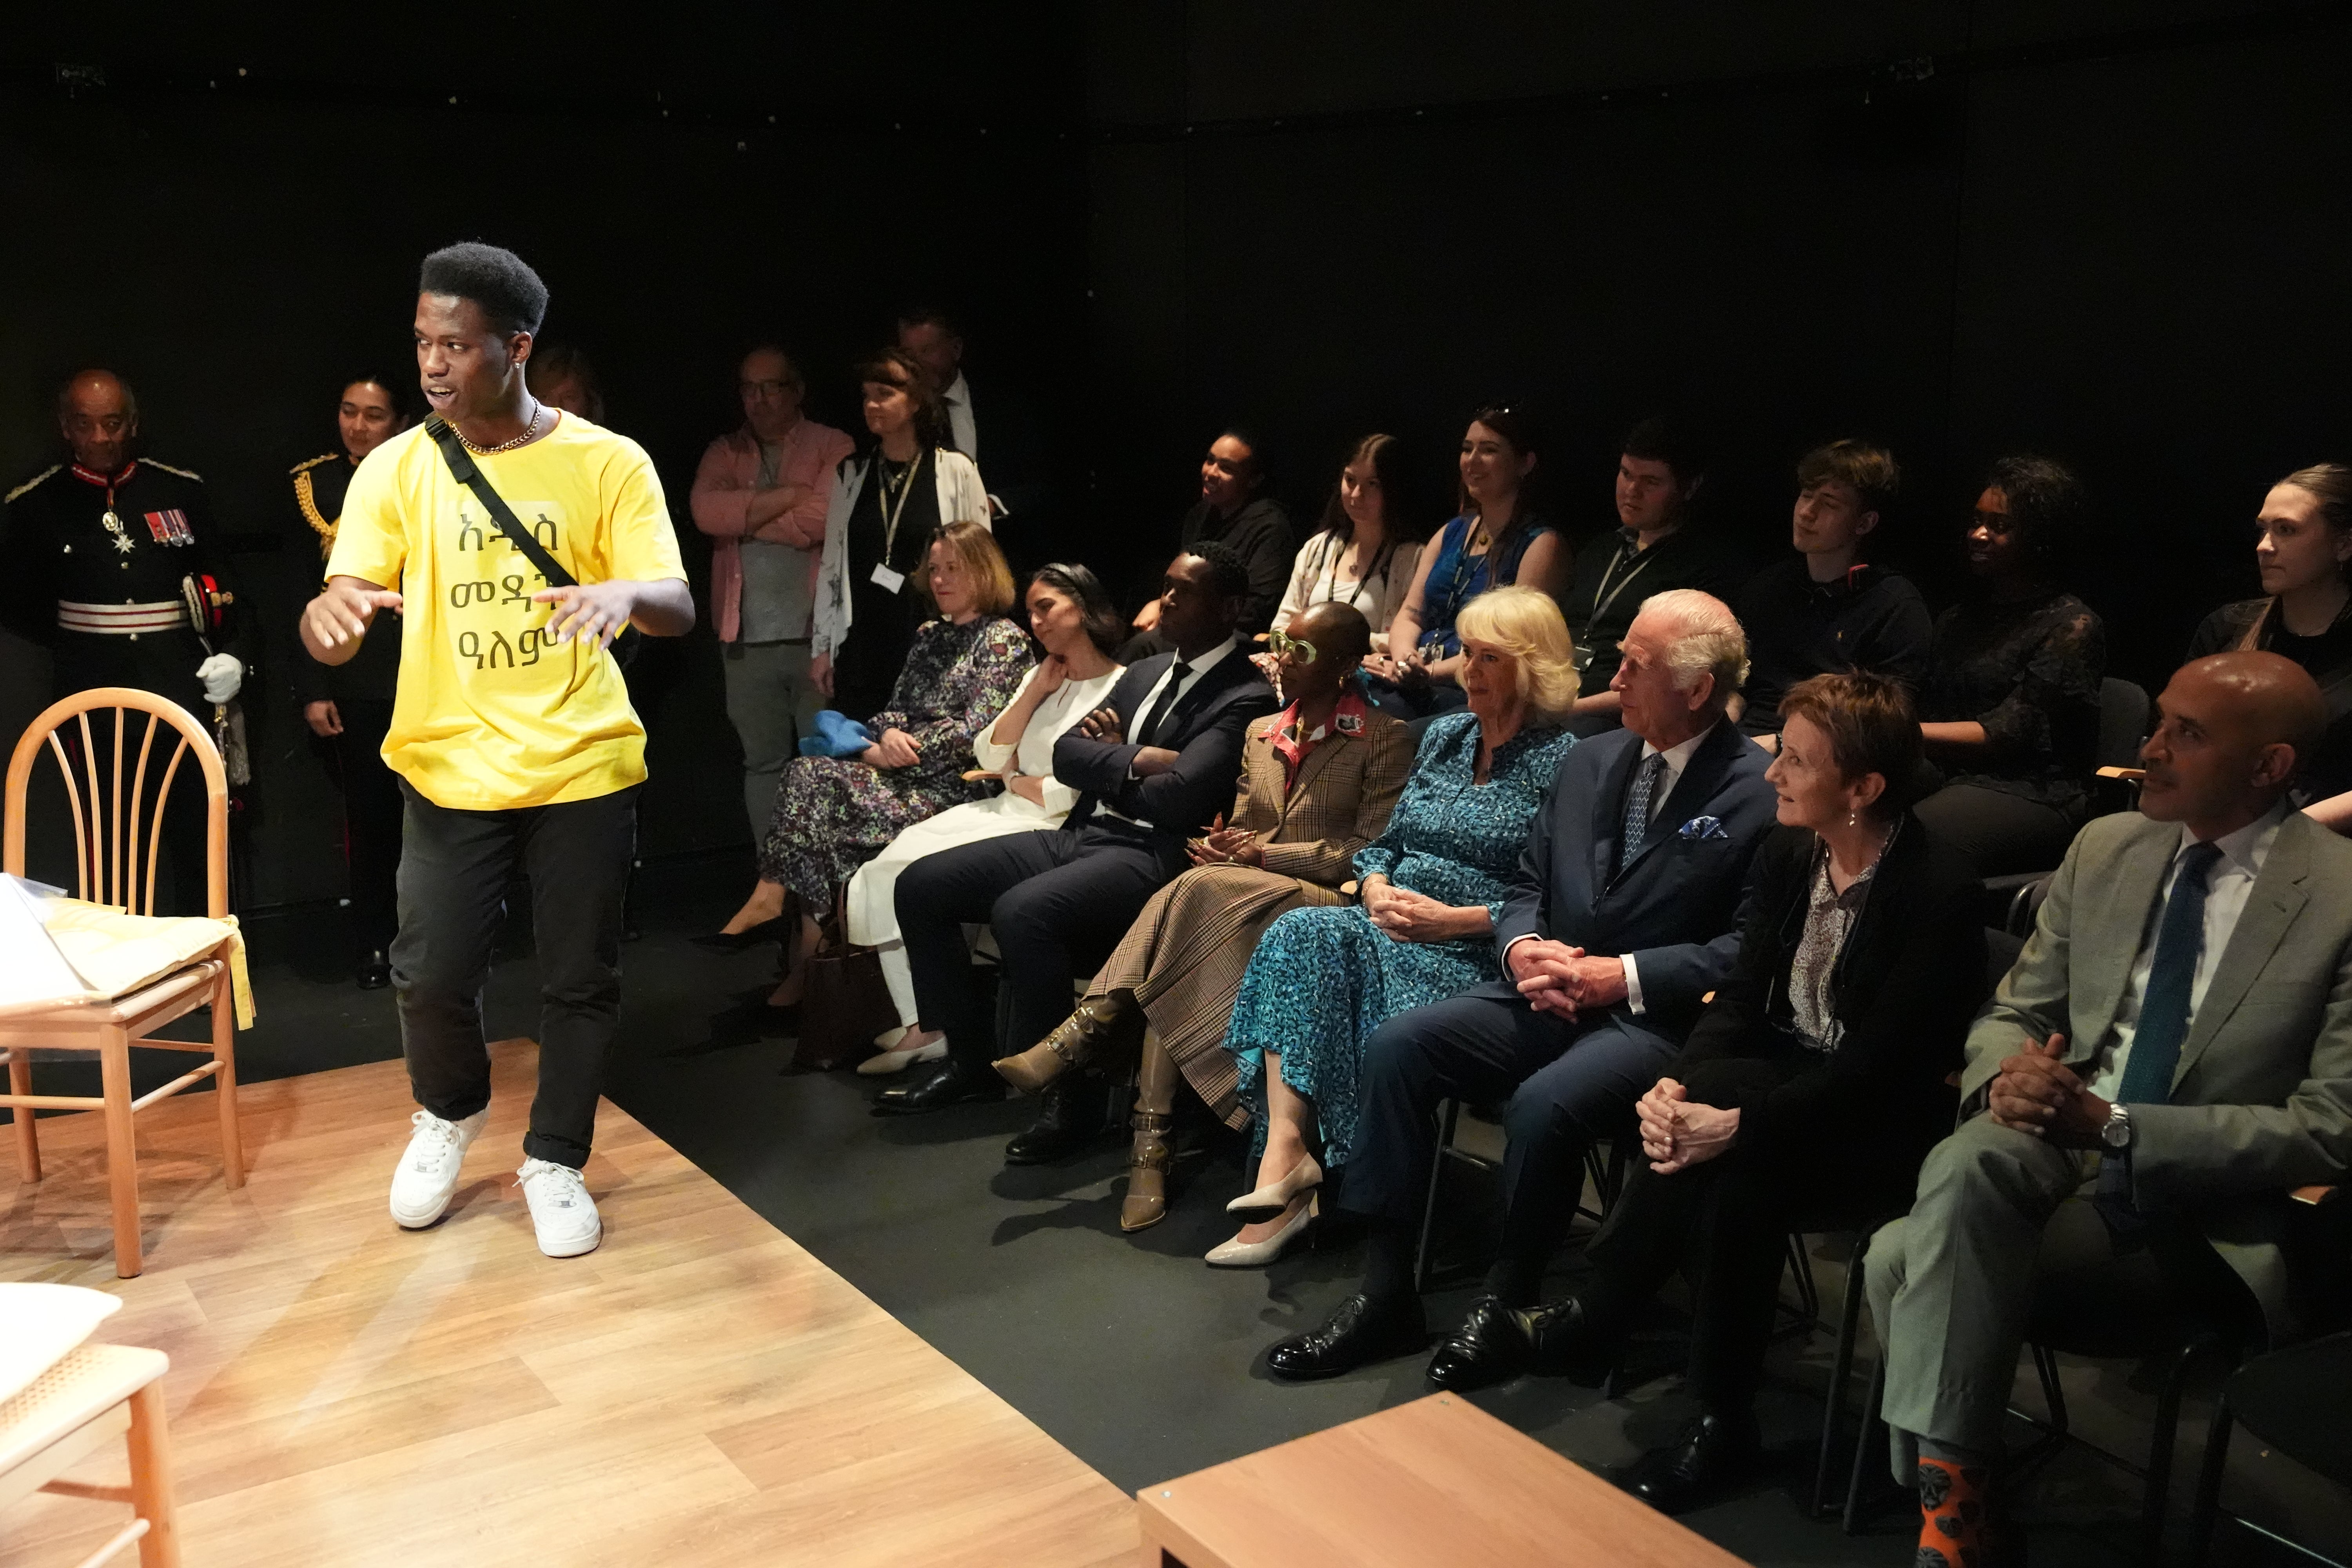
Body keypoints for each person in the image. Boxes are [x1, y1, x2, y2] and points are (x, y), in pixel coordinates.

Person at [1865, 651, 2352, 1568]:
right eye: (2156, 720)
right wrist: (2009, 1074)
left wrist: (2118, 1128)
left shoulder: (2340, 897)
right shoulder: (2108, 846)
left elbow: (2334, 1122)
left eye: (2187, 733)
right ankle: (1956, 1517)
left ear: (2271, 767)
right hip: (2048, 1148)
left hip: (2198, 1201)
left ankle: (1946, 1497)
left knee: (1903, 1252)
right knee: (1971, 1162)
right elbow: (2016, 1010)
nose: (2150, 747)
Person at [1261, 590, 1777, 1384]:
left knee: (1542, 1105)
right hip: (1543, 987)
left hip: (1650, 1019)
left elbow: (1750, 947)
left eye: (1638, 665)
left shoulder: (1758, 788)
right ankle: (1387, 1291)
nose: (1618, 675)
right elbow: (1530, 881)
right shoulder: (1595, 757)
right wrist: (1525, 946)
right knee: (1402, 1046)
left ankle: (1507, 1302)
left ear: (1699, 688)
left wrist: (1625, 974)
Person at [298, 241, 694, 1259]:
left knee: (578, 978)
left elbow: (677, 604)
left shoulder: (607, 463)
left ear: (516, 348)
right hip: (450, 758)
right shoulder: (396, 466)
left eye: (457, 345)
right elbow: (337, 599)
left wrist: (625, 594)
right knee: (430, 971)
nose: (432, 365)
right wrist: (329, 617)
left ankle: (555, 1158)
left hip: (581, 761)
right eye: (424, 342)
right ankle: (450, 1108)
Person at [1504, 674, 1984, 1513]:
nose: (1772, 775)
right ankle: (1699, 1398)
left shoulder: (1937, 886)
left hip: (1882, 1117)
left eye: (1796, 761)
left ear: (1864, 787)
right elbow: (1739, 999)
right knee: (1707, 1100)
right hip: (1789, 1075)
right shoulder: (1790, 852)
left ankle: (1628, 1324)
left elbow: (1880, 1069)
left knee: (1739, 1175)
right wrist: (1676, 1088)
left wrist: (1734, 1124)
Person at [1000, 601, 1414, 1233]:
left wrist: (1266, 853)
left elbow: (1370, 850)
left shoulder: (1384, 738)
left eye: (1300, 652)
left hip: (1327, 903)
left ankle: (1095, 1046)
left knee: (1192, 895)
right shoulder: (1262, 731)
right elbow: (1248, 824)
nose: (1282, 660)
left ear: (1346, 666)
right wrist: (1228, 844)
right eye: (1279, 644)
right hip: (1240, 891)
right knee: (1193, 904)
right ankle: (1146, 1140)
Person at [880, 543, 1278, 1156]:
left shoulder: (1244, 694)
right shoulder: (1145, 670)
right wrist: (1141, 763)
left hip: (1155, 855)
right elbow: (1067, 755)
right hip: (1086, 834)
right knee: (922, 883)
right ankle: (968, 1061)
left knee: (1023, 911)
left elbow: (1181, 802)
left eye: (1185, 591)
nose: (1167, 599)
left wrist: (1110, 762)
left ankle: (1071, 1101)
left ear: (1228, 607)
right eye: (1166, 585)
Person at [1217, 588, 1577, 1264]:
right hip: (1388, 925)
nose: (1470, 670)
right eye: (1467, 653)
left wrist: (1460, 921)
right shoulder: (1444, 736)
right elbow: (1385, 844)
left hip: (1473, 958)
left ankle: (1312, 1191)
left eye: (1490, 658)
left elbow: (1564, 902)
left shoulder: (1566, 763)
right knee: (1301, 932)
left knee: (1319, 962)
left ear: (1533, 669)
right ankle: (1288, 1157)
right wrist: (1376, 886)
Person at [705, 522, 1033, 1018]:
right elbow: (894, 709)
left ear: (983, 572)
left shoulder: (1003, 641)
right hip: (898, 770)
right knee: (808, 782)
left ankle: (789, 931)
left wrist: (902, 747)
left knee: (812, 791)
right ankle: (807, 955)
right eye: (935, 568)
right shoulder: (929, 636)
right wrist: (884, 737)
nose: (940, 579)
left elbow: (975, 732)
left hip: (951, 785)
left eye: (953, 569)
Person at [842, 563, 1126, 1075]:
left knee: (921, 872)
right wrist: (1036, 692)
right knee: (886, 865)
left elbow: (1070, 790)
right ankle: (923, 1019)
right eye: (1031, 611)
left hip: (1050, 826)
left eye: (1047, 608)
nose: (1036, 622)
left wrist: (1013, 779)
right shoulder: (1044, 677)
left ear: (1082, 608)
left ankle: (935, 1029)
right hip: (1007, 805)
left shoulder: (1119, 687)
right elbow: (988, 753)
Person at [1, 369, 249, 911]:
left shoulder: (179, 491)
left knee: (195, 834)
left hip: (179, 688)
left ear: (132, 424)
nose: (100, 438)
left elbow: (224, 587)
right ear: (66, 428)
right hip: (93, 702)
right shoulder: (35, 505)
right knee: (109, 847)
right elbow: (23, 608)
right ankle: (126, 979)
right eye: (86, 425)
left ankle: (202, 968)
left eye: (112, 424)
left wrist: (235, 655)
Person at [690, 344, 857, 837]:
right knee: (763, 765)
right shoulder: (725, 451)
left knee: (827, 760)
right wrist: (789, 498)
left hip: (816, 637)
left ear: (797, 390)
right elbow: (706, 514)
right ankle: (776, 883)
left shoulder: (833, 445)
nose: (758, 400)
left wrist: (743, 518)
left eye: (771, 387)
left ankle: (826, 892)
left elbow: (826, 518)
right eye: (749, 388)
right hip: (745, 641)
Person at [1913, 455, 2105, 877]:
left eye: (1999, 526)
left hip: (2032, 789)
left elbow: (2006, 734)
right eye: (1978, 521)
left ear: (2040, 538)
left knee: (1915, 837)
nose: (1978, 535)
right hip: (1951, 773)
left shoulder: (2072, 625)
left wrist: (1896, 731)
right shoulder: (1960, 618)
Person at [292, 375, 412, 987]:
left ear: (396, 422)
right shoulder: (315, 485)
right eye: (348, 411)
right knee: (371, 820)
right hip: (355, 672)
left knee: (440, 818)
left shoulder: (422, 473)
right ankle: (375, 941)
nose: (358, 426)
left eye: (373, 415)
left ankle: (441, 941)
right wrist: (315, 686)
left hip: (422, 666)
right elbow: (302, 594)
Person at [812, 347, 991, 723]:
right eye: (866, 396)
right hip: (862, 642)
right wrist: (822, 648)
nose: (872, 405)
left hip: (932, 642)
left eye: (885, 394)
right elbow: (832, 565)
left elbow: (981, 566)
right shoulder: (851, 474)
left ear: (915, 402)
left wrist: (977, 647)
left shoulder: (955, 470)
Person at [1366, 407, 1567, 718]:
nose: (1472, 461)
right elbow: (1410, 613)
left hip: (1470, 692)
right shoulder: (1452, 531)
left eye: (1488, 451)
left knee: (1378, 720)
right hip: (1419, 677)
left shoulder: (1541, 545)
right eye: (1467, 449)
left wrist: (1428, 673)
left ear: (1525, 463)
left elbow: (1508, 648)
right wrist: (1406, 660)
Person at [1732, 439, 1931, 743]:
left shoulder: (1894, 606)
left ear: (1864, 523)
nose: (1806, 513)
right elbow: (1737, 684)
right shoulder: (1771, 586)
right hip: (1748, 739)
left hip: (1825, 752)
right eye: (1806, 495)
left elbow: (1880, 724)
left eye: (1828, 503)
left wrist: (1781, 744)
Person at [1562, 418, 1747, 733]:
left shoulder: (1702, 570)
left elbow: (1673, 682)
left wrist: (1565, 710)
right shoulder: (1601, 549)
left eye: (1651, 482)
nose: (1632, 491)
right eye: (1626, 474)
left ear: (1689, 488)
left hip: (1615, 716)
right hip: (1558, 694)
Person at [2188, 465, 2352, 808]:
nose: (2264, 547)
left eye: (2286, 530)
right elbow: (2182, 739)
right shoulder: (2228, 627)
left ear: (2344, 545)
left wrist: (2290, 833)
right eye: (2263, 530)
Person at [1128, 432, 1293, 650]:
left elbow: (1256, 608)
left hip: (1224, 637)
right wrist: (1161, 605)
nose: (1211, 473)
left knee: (1143, 646)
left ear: (1254, 480)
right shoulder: (1201, 514)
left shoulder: (1270, 528)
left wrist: (1173, 614)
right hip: (1186, 625)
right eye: (1210, 461)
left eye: (1226, 468)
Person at [895, 303, 1047, 528]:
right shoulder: (899, 416)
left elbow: (1041, 482)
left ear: (956, 349)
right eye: (909, 355)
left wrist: (991, 505)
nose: (917, 364)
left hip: (1004, 545)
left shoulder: (1003, 405)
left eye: (927, 351)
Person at [1272, 435, 1424, 655]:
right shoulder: (1319, 547)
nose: (1356, 494)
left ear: (1393, 490)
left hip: (1368, 679)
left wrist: (1333, 642)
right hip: (1304, 670)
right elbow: (1282, 624)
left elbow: (1408, 638)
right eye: (1350, 480)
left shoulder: (1412, 557)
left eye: (1372, 484)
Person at [527, 341, 605, 422]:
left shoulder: (603, 435)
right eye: (545, 397)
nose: (558, 407)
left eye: (569, 397)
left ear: (589, 400)